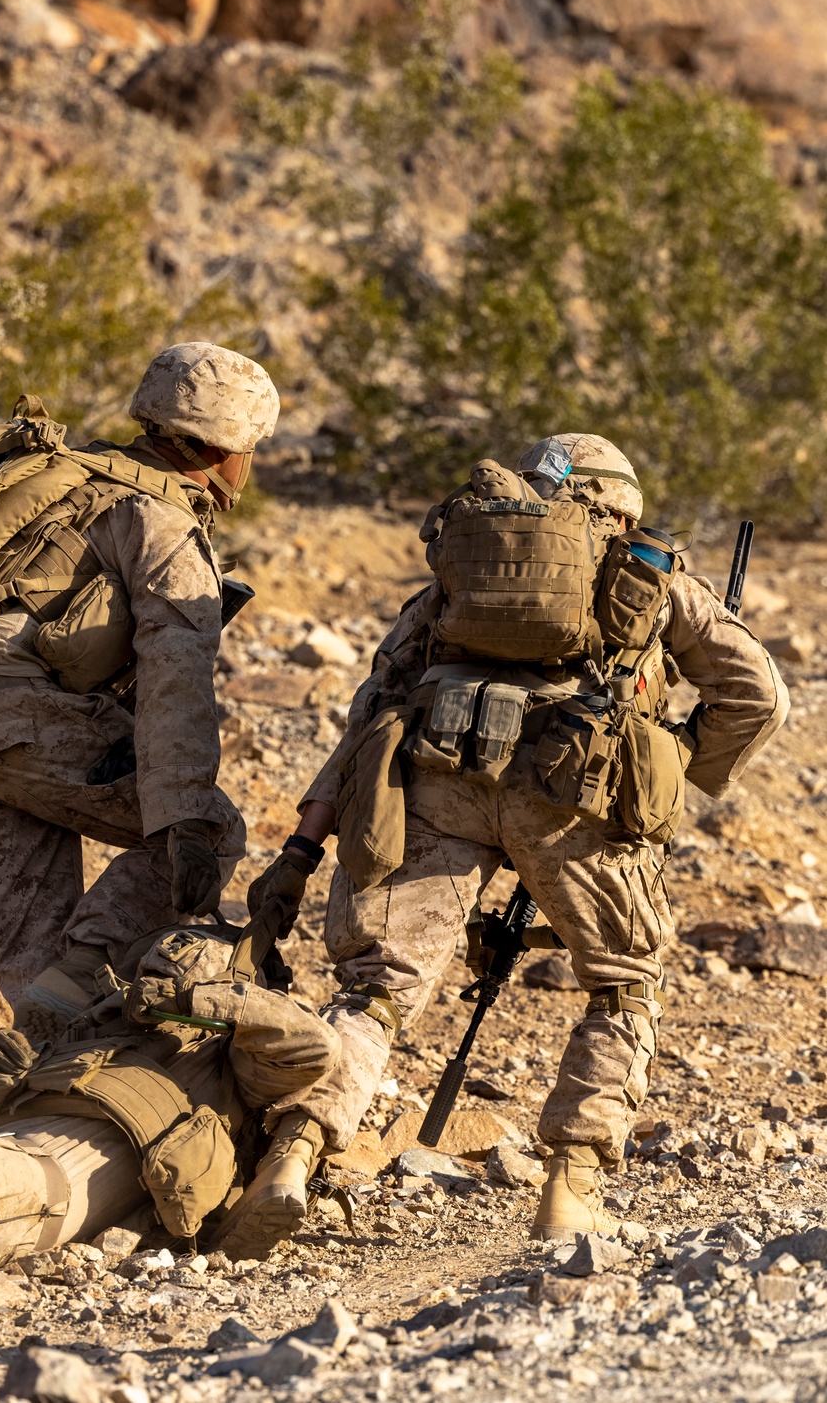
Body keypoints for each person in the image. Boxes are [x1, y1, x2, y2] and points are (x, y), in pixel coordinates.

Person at [235, 434, 789, 1247]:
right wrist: (672, 760)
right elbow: (759, 697)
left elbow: (368, 714)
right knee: (622, 982)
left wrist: (301, 850)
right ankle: (571, 1187)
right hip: (577, 795)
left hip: (436, 780)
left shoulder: (463, 569)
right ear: (621, 505)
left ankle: (293, 1152)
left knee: (376, 990)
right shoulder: (653, 576)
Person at [0, 343, 279, 1024]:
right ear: (222, 447)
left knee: (40, 983)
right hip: (19, 719)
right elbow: (175, 678)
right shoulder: (161, 517)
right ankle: (87, 969)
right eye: (253, 447)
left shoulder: (66, 479)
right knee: (212, 832)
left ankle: (31, 1070)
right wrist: (182, 817)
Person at [0, 911, 339, 1269]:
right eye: (151, 969)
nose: (154, 976)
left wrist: (196, 1001)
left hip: (46, 1184)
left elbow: (315, 1046)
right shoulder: (86, 1034)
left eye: (178, 970)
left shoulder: (228, 1066)